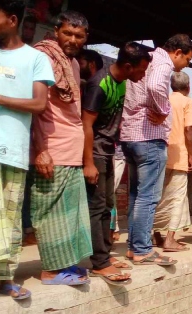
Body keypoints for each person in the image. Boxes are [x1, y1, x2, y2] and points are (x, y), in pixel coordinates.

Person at [0, 0, 54, 300]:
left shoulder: (36, 59)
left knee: (10, 216)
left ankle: (5, 279)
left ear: (12, 20)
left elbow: (40, 104)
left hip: (14, 148)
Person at [120, 34, 192, 266]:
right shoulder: (163, 62)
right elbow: (154, 86)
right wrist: (163, 110)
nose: (186, 65)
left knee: (136, 195)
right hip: (149, 137)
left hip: (130, 135)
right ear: (178, 53)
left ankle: (135, 247)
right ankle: (143, 249)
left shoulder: (146, 59)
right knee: (149, 196)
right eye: (187, 59)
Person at [30, 11, 92, 286]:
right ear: (56, 31)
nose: (72, 39)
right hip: (51, 147)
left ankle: (65, 264)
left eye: (78, 36)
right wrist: (40, 148)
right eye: (67, 33)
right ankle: (50, 271)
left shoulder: (74, 64)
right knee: (49, 210)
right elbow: (33, 107)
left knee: (70, 211)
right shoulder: (42, 57)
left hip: (71, 149)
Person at [82, 42, 151, 285]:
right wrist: (88, 162)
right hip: (95, 152)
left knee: (108, 204)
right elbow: (86, 124)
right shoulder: (99, 84)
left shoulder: (122, 83)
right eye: (142, 71)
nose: (143, 76)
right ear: (129, 66)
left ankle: (105, 256)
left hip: (108, 151)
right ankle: (99, 263)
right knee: (98, 206)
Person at [152, 72, 192, 252]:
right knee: (177, 197)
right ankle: (170, 239)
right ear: (188, 87)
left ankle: (156, 235)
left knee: (158, 196)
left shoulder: (164, 99)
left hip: (160, 152)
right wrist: (191, 155)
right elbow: (189, 131)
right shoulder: (187, 102)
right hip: (179, 154)